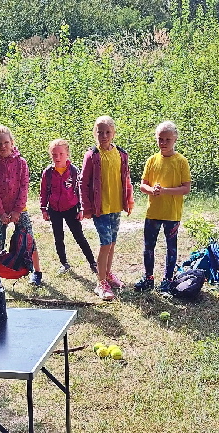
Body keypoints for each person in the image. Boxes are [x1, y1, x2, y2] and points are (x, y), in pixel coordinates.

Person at [79, 116, 134, 301]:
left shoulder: (121, 154)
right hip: (99, 208)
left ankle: (108, 274)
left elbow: (126, 179)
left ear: (113, 133)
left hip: (116, 206)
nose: (103, 136)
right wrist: (86, 207)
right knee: (105, 244)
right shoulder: (92, 155)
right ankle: (100, 282)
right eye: (99, 132)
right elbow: (83, 182)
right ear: (94, 133)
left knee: (112, 243)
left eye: (107, 132)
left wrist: (129, 200)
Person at [134, 121, 192, 294]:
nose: (163, 143)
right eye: (160, 139)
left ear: (175, 139)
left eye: (167, 139)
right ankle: (148, 277)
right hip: (153, 212)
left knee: (171, 247)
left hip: (172, 214)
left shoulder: (181, 161)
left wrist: (166, 191)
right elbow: (142, 185)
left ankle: (167, 279)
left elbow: (186, 188)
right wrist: (151, 190)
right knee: (148, 246)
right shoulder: (152, 160)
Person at [0, 125, 43, 286]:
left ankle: (36, 272)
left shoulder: (22, 163)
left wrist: (17, 210)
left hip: (20, 210)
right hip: (0, 212)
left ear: (12, 142)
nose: (2, 146)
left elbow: (24, 188)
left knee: (29, 240)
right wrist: (2, 213)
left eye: (5, 143)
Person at [40, 139, 98, 275]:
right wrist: (43, 209)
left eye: (61, 154)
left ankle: (93, 262)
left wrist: (81, 208)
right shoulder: (48, 173)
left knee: (79, 236)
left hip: (71, 208)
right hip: (54, 209)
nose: (57, 157)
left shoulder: (74, 171)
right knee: (58, 237)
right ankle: (64, 264)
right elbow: (43, 192)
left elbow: (80, 191)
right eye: (54, 154)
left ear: (67, 154)